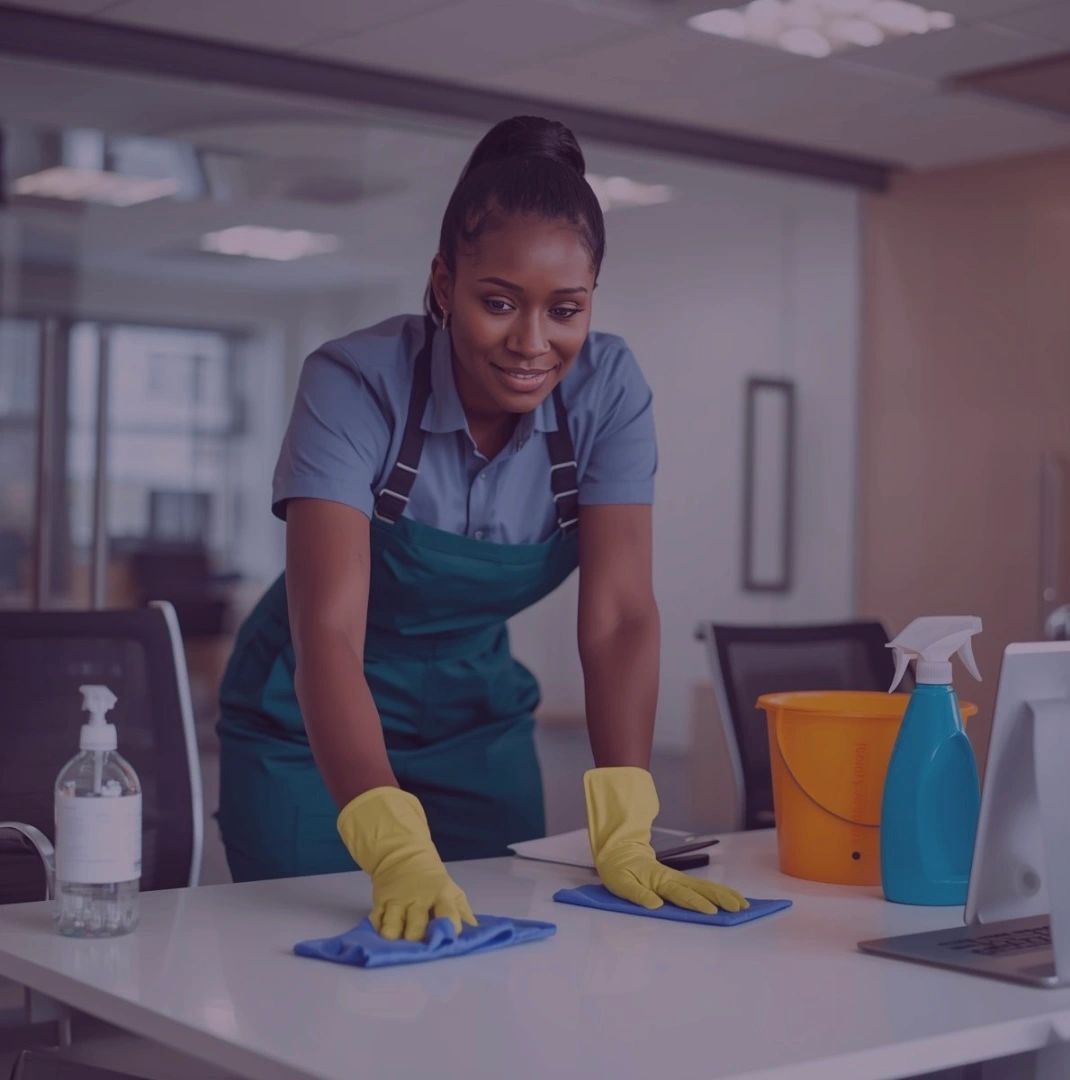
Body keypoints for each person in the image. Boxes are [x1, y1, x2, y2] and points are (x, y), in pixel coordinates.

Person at [217, 115, 747, 940]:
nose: (532, 344)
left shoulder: (607, 392)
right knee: (307, 974)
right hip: (307, 720)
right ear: (442, 285)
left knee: (499, 975)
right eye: (498, 302)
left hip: (476, 717)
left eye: (565, 309)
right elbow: (327, 631)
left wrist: (626, 818)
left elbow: (618, 618)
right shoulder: (355, 384)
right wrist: (389, 842)